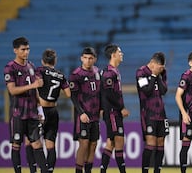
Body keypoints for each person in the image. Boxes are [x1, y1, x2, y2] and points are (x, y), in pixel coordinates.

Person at [3, 37, 48, 173]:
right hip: (18, 113)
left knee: (37, 144)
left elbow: (35, 91)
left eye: (28, 49)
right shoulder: (10, 68)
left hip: (32, 113)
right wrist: (33, 85)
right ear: (15, 50)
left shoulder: (31, 67)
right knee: (16, 145)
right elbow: (12, 90)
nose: (26, 52)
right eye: (23, 49)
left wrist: (40, 110)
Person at [36, 49, 71, 173]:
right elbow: (68, 93)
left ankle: (37, 170)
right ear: (55, 61)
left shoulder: (39, 70)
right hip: (53, 111)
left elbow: (37, 84)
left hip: (41, 111)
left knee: (34, 143)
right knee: (51, 145)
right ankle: (49, 171)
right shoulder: (61, 75)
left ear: (42, 61)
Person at [69, 47, 102, 173]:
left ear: (94, 59)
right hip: (83, 116)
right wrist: (81, 112)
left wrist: (102, 109)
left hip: (95, 116)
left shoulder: (97, 72)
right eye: (85, 58)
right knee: (84, 144)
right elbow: (73, 96)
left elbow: (100, 93)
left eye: (90, 58)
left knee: (93, 145)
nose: (88, 61)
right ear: (81, 58)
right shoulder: (76, 75)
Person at [136, 52, 169, 173]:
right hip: (148, 113)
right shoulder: (141, 72)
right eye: (160, 67)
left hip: (161, 113)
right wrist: (154, 76)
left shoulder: (162, 72)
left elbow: (163, 91)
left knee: (160, 143)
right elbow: (147, 91)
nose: (162, 70)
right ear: (153, 63)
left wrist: (158, 75)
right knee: (150, 143)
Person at [100, 44, 130, 173]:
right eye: (119, 51)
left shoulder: (114, 71)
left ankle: (103, 170)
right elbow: (108, 93)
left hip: (113, 112)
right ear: (113, 55)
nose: (121, 54)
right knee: (118, 141)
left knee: (111, 143)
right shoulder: (109, 72)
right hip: (113, 112)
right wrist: (121, 107)